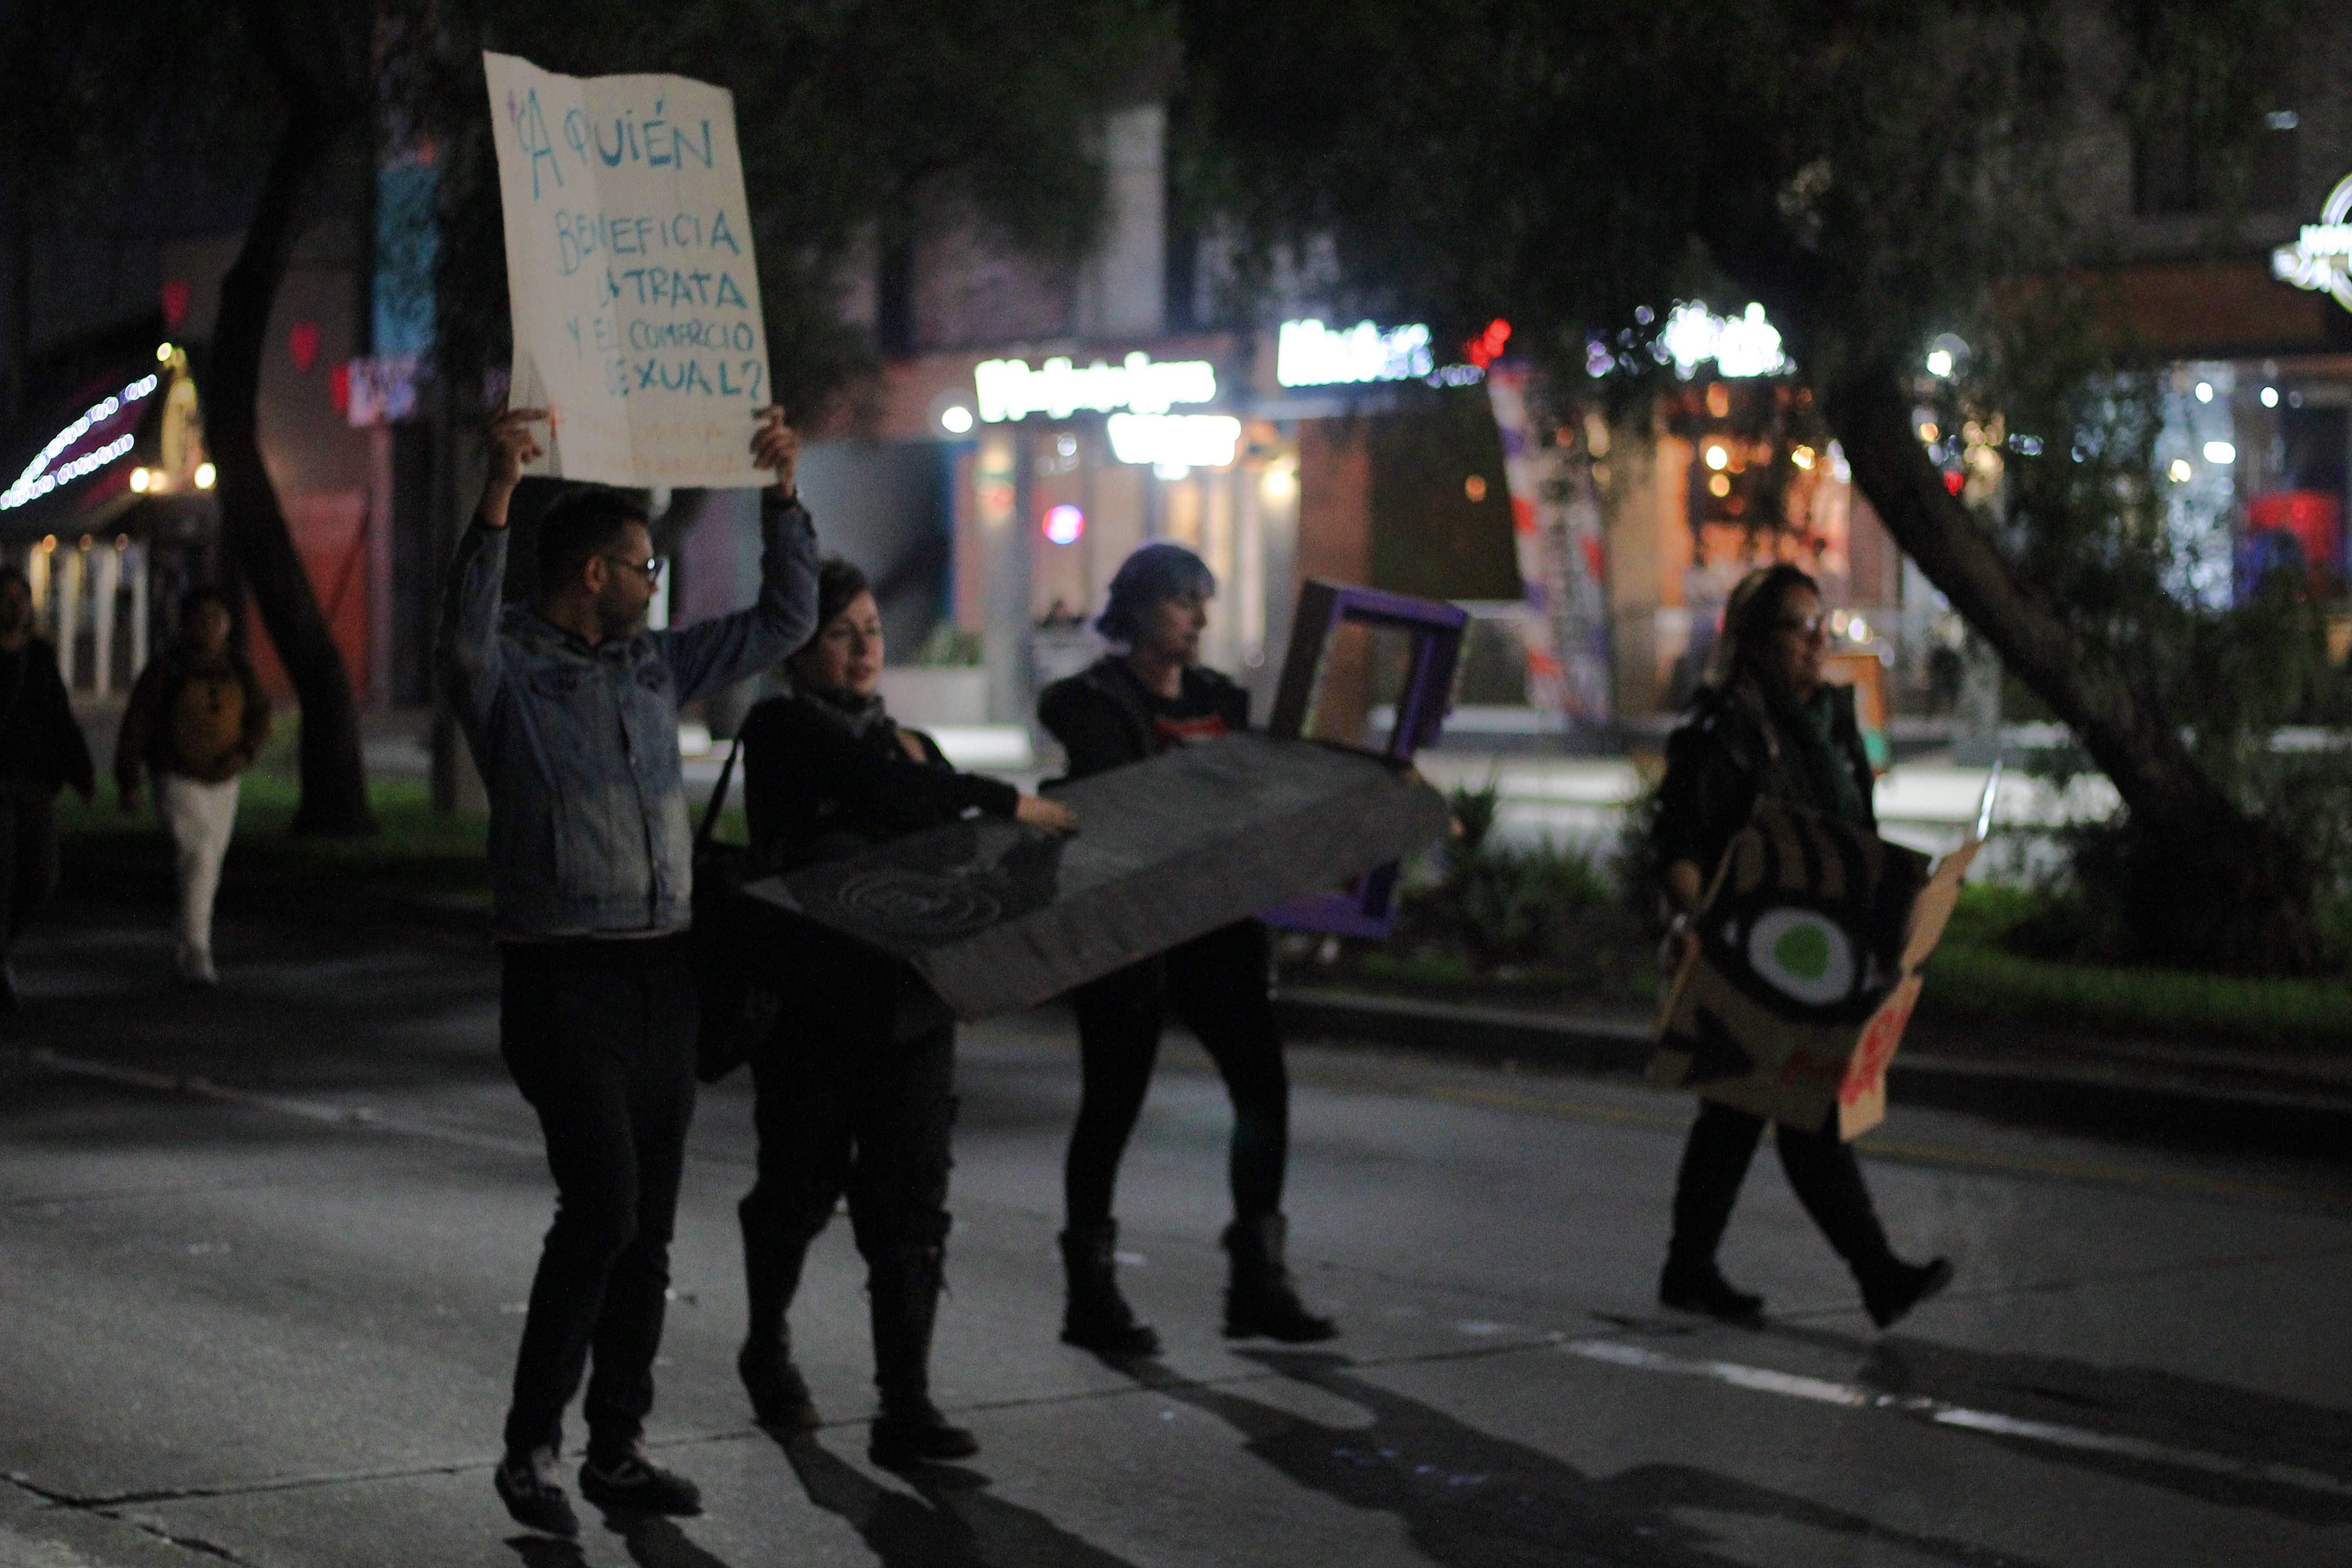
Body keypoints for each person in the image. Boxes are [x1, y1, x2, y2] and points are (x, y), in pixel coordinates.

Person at [439, 402, 818, 1539]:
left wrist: (783, 494)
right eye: (645, 566)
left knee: (647, 1224)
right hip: (563, 980)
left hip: (664, 976)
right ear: (594, 572)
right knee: (601, 1203)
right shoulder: (509, 668)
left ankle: (617, 1446)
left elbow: (788, 617)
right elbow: (462, 637)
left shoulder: (658, 664)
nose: (657, 582)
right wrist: (499, 490)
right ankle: (530, 1447)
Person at [733, 559, 1077, 1465]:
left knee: (912, 1206)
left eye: (873, 632)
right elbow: (877, 787)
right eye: (839, 634)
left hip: (911, 1012)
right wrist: (1000, 797)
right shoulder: (782, 732)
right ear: (797, 651)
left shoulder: (915, 750)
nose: (862, 650)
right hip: (815, 1011)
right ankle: (766, 1344)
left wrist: (1034, 860)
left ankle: (906, 1404)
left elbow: (960, 865)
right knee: (797, 1191)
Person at [1037, 542, 1337, 1357]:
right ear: (1138, 609)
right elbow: (1106, 795)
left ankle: (1257, 1278)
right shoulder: (1096, 700)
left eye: (1203, 601)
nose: (1198, 618)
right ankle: (1090, 1292)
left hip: (1217, 933)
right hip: (1133, 937)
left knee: (1262, 1091)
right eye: (1181, 601)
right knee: (1111, 1107)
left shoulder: (1218, 700)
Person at [1651, 562, 1954, 1330]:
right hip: (1747, 952)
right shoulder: (1721, 729)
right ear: (1757, 640)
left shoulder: (1833, 726)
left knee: (1747, 1113)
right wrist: (1697, 924)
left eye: (1823, 625)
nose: (1818, 641)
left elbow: (1857, 836)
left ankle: (1691, 1269)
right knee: (1784, 1109)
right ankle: (1874, 1275)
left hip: (1822, 952)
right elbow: (1680, 844)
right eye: (1798, 626)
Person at [114, 587, 271, 986]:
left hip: (225, 779)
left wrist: (246, 752)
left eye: (219, 618)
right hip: (178, 775)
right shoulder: (167, 669)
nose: (212, 627)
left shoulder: (238, 668)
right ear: (186, 624)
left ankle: (189, 940)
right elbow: (137, 723)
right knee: (198, 854)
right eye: (203, 619)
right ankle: (198, 949)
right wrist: (129, 780)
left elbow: (259, 714)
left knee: (210, 860)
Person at [0, 566, 94, 1010]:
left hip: (35, 780)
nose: (15, 605)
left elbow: (59, 716)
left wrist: (81, 773)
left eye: (22, 596)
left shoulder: (38, 656)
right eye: (7, 597)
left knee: (41, 875)